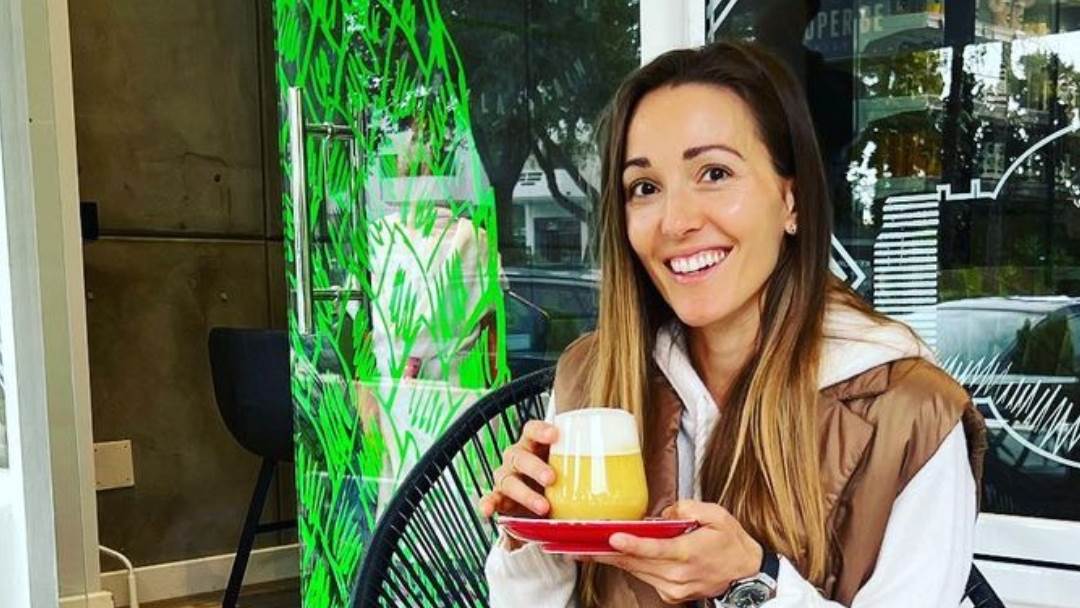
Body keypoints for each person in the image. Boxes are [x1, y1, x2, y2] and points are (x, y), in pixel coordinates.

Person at [478, 41, 986, 607]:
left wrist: (752, 580)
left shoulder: (911, 415)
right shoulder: (592, 379)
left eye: (715, 173)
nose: (676, 221)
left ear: (791, 201)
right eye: (645, 188)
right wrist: (530, 540)